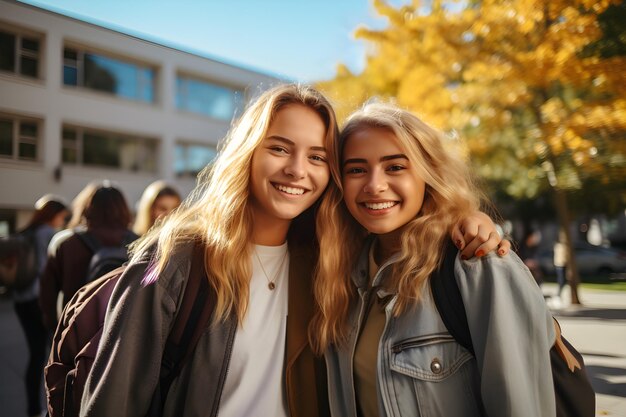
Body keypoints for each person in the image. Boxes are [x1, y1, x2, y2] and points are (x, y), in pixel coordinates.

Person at [80, 84, 507, 417]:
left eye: (318, 156)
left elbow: (402, 219)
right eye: (280, 148)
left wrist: (466, 220)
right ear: (247, 153)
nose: (297, 170)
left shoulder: (329, 260)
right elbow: (113, 401)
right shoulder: (176, 257)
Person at [312, 102, 556, 416]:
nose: (374, 185)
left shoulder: (478, 263)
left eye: (395, 167)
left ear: (428, 174)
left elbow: (523, 407)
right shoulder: (341, 275)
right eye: (356, 169)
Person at [39, 182, 137, 331]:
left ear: (85, 207)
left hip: (76, 331)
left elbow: (48, 294)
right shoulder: (140, 242)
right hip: (123, 331)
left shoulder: (65, 243)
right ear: (123, 209)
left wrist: (57, 330)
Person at [13, 194, 69, 417]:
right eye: (62, 217)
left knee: (35, 354)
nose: (62, 222)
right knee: (50, 355)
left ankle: (32, 408)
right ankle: (49, 408)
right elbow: (47, 270)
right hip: (37, 299)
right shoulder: (47, 233)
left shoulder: (27, 232)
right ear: (54, 214)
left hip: (20, 300)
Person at [554, 230, 568, 297]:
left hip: (561, 264)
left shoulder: (561, 245)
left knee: (562, 280)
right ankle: (559, 294)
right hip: (560, 265)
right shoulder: (559, 246)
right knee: (561, 280)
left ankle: (559, 293)